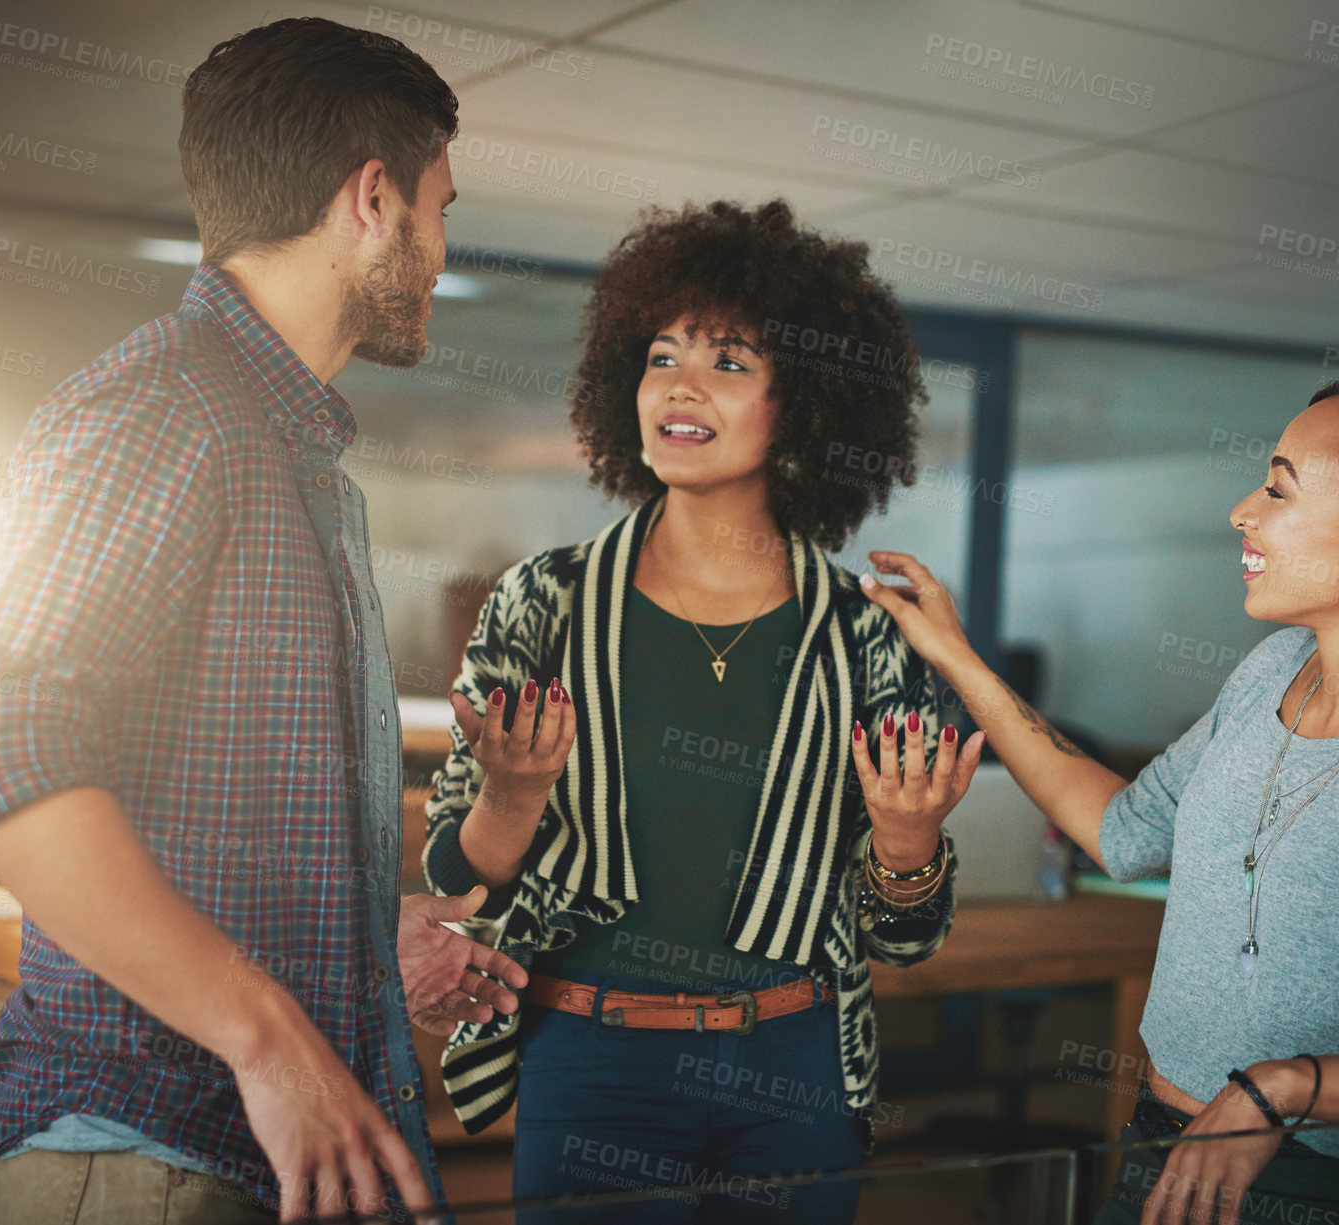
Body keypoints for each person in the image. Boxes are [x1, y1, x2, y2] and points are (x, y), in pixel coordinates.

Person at [0, 18, 527, 1224]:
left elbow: (206, 818)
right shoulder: (162, 408)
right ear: (372, 199)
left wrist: (370, 934)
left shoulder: (284, 444)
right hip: (155, 1149)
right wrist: (270, 1037)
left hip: (260, 1159)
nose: (437, 248)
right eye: (438, 208)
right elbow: (9, 765)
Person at [856, 371, 1339, 1225]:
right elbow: (1123, 830)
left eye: (1277, 488)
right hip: (1155, 1157)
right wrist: (956, 656)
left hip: (1325, 1189)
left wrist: (1286, 1086)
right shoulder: (1271, 672)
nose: (1242, 510)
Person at [421, 198, 985, 1221]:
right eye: (659, 356)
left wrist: (906, 846)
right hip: (591, 1060)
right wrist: (510, 795)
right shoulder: (542, 600)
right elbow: (452, 876)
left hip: (794, 1064)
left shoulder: (864, 633)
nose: (679, 384)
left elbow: (901, 941)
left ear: (803, 404)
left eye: (728, 361)